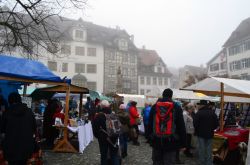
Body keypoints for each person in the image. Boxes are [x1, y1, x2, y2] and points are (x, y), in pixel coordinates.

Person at [148, 88, 186, 165]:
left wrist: (149, 138)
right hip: (171, 140)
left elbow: (150, 123)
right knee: (169, 161)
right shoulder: (177, 107)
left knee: (157, 161)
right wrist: (183, 142)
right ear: (171, 96)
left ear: (163, 95)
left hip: (157, 140)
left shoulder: (155, 106)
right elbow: (181, 126)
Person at [1, 92, 36, 165]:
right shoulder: (29, 111)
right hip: (26, 146)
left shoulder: (7, 112)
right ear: (20, 100)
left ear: (9, 100)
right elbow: (34, 128)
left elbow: (2, 131)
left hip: (11, 147)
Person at [92, 100, 120, 165]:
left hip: (103, 138)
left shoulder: (99, 116)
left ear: (101, 106)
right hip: (113, 136)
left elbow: (95, 128)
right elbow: (118, 126)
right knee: (114, 155)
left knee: (104, 155)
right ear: (108, 106)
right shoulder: (114, 114)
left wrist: (98, 136)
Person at [194, 100, 219, 165]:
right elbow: (216, 124)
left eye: (199, 105)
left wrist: (198, 129)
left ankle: (202, 162)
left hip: (200, 134)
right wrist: (211, 129)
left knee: (201, 149)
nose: (198, 106)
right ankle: (209, 163)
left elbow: (195, 124)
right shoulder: (212, 113)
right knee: (209, 150)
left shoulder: (199, 113)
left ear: (202, 105)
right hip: (210, 133)